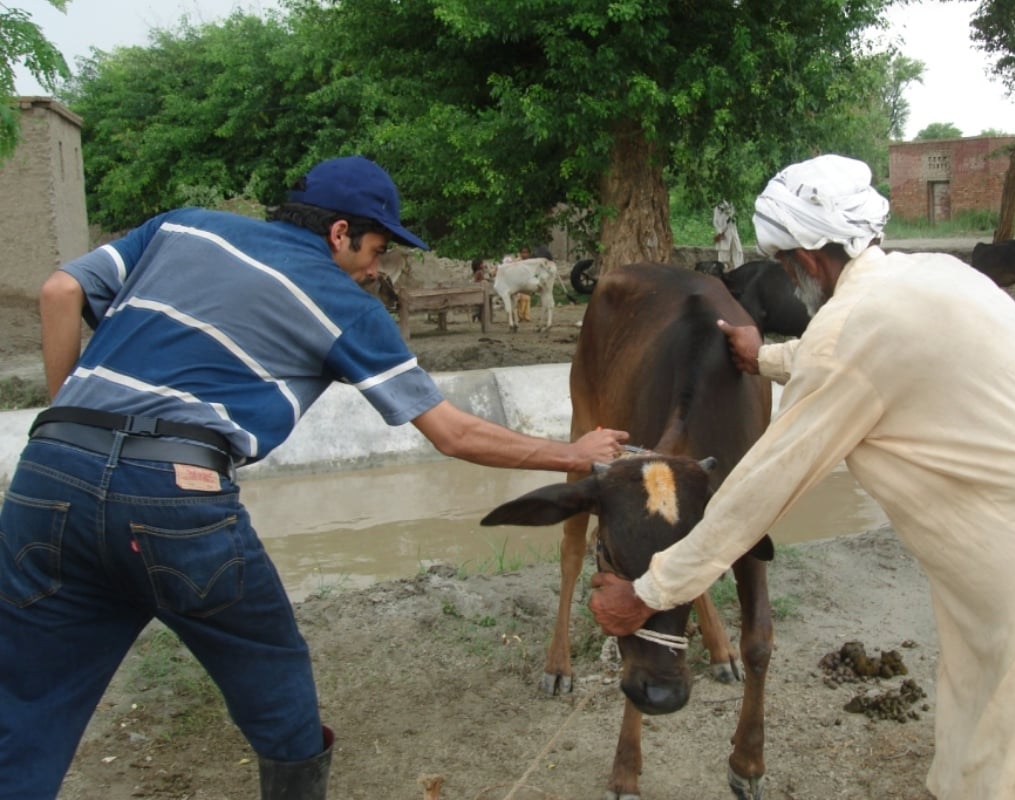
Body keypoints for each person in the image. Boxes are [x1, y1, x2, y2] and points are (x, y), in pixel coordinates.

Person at [0, 155, 627, 800]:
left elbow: (59, 293)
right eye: (376, 249)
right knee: (276, 683)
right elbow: (453, 434)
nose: (375, 270)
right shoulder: (343, 306)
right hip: (174, 496)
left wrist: (70, 420)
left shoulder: (181, 228)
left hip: (46, 474)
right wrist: (573, 453)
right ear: (339, 233)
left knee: (25, 703)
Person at [589, 154, 1015, 799]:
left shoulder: (849, 337)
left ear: (810, 259)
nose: (790, 276)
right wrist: (765, 357)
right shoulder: (939, 278)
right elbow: (867, 352)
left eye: (787, 261)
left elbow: (755, 494)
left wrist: (651, 591)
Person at [713, 199, 745, 270]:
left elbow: (733, 220)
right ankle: (723, 273)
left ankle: (739, 271)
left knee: (738, 252)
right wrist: (720, 232)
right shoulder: (719, 207)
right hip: (724, 234)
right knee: (724, 255)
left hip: (733, 232)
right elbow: (716, 222)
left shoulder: (733, 204)